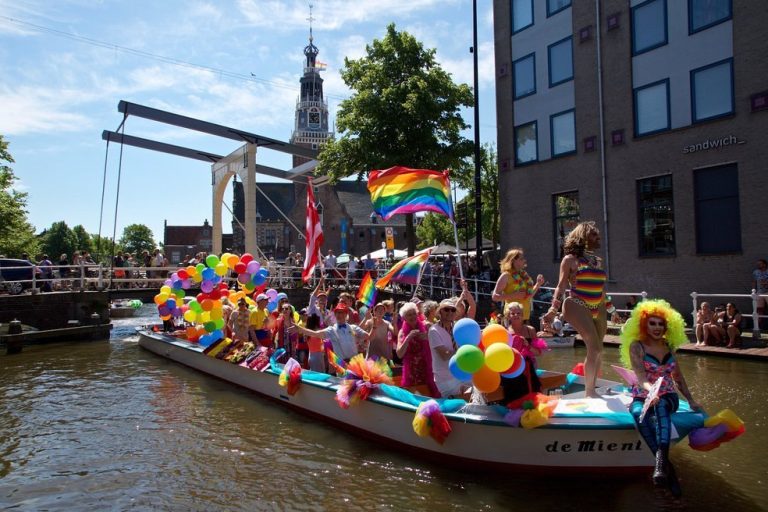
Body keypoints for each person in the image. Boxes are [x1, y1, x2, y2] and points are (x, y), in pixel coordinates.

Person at [619, 299, 702, 497]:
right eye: (652, 323)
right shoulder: (637, 346)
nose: (657, 327)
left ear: (666, 326)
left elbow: (678, 378)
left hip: (667, 394)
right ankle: (667, 471)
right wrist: (651, 392)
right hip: (643, 393)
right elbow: (640, 377)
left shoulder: (669, 345)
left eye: (661, 324)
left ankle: (660, 463)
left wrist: (691, 400)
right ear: (644, 324)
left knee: (662, 405)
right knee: (639, 414)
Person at [543, 221, 607, 398]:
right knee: (594, 348)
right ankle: (589, 392)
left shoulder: (597, 261)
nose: (598, 238)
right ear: (583, 237)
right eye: (594, 235)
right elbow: (561, 285)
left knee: (598, 350)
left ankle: (592, 389)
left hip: (599, 306)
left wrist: (612, 310)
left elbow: (601, 288)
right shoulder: (570, 260)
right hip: (577, 304)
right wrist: (553, 309)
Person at [291, 304, 372, 363]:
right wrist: (300, 329)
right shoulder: (331, 330)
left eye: (342, 312)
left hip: (355, 364)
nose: (339, 315)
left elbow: (369, 337)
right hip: (342, 366)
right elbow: (315, 334)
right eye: (337, 313)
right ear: (335, 314)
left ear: (346, 314)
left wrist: (374, 326)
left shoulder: (353, 327)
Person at [500, 302, 543, 403]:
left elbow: (538, 353)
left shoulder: (530, 330)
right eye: (513, 313)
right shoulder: (504, 332)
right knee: (513, 398)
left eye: (518, 313)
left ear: (523, 315)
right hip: (511, 369)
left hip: (528, 369)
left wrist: (528, 345)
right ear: (508, 316)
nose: (516, 315)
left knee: (531, 396)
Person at [492, 248, 545, 324]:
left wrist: (538, 284)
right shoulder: (506, 275)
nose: (524, 260)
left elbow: (528, 296)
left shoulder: (523, 275)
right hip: (511, 318)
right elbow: (494, 297)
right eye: (521, 259)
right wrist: (513, 295)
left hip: (525, 317)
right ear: (513, 260)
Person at [396, 302, 439, 397]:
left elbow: (439, 342)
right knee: (415, 398)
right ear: (404, 318)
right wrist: (408, 338)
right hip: (412, 372)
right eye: (409, 315)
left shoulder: (427, 326)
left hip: (427, 369)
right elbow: (399, 354)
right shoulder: (402, 332)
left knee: (431, 395)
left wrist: (428, 337)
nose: (412, 316)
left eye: (414, 313)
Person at [428, 298, 466, 398]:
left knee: (473, 398)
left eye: (453, 310)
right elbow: (444, 355)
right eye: (446, 309)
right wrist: (463, 351)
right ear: (440, 312)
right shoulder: (434, 330)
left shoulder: (458, 327)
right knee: (455, 404)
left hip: (461, 373)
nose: (450, 312)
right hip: (445, 377)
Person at [752, 259, 768, 330]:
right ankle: (757, 327)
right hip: (759, 292)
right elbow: (753, 281)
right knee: (759, 309)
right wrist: (753, 291)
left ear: (764, 264)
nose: (758, 265)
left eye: (760, 264)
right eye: (758, 264)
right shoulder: (756, 272)